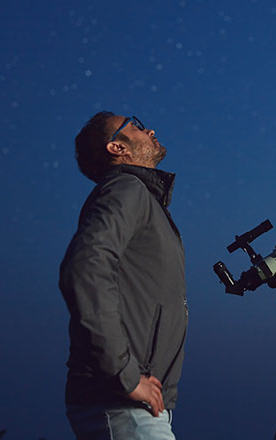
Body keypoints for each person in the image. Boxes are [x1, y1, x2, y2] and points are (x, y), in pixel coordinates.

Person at [59, 111, 187, 440]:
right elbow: (85, 268)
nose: (150, 129)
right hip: (121, 403)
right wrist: (124, 375)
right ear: (117, 148)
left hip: (137, 406)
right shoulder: (125, 189)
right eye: (136, 126)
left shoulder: (142, 198)